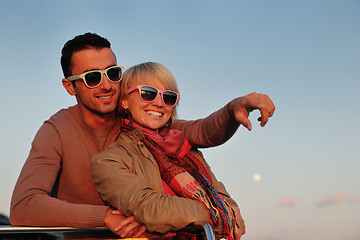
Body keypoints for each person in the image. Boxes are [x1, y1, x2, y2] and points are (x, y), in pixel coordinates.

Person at [10, 33, 275, 238]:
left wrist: (233, 108)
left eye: (113, 73)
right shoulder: (57, 129)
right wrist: (103, 217)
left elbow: (201, 131)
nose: (106, 85)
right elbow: (23, 206)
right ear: (70, 86)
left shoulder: (139, 123)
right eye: (92, 78)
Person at [91, 62, 242, 240]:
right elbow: (151, 210)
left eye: (168, 97)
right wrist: (219, 214)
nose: (159, 103)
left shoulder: (188, 151)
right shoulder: (109, 160)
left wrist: (219, 215)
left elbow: (230, 207)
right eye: (148, 93)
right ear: (124, 101)